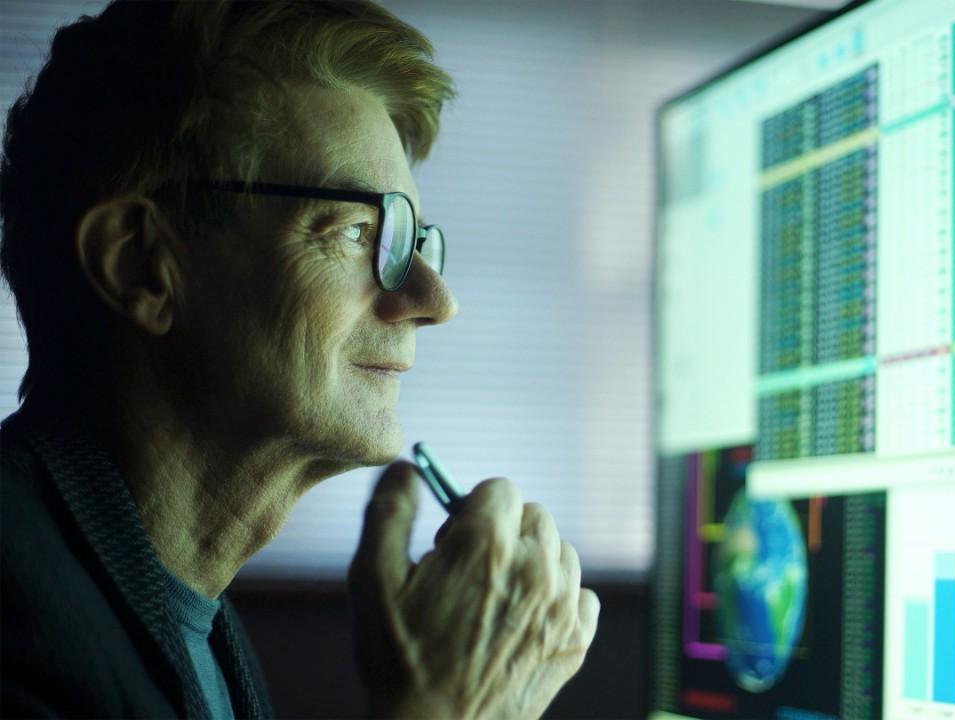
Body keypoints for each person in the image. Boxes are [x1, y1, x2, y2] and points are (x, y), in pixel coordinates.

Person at [0, 1, 600, 718]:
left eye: (414, 242)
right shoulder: (14, 606)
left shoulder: (202, 623)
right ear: (142, 265)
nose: (434, 299)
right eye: (357, 231)